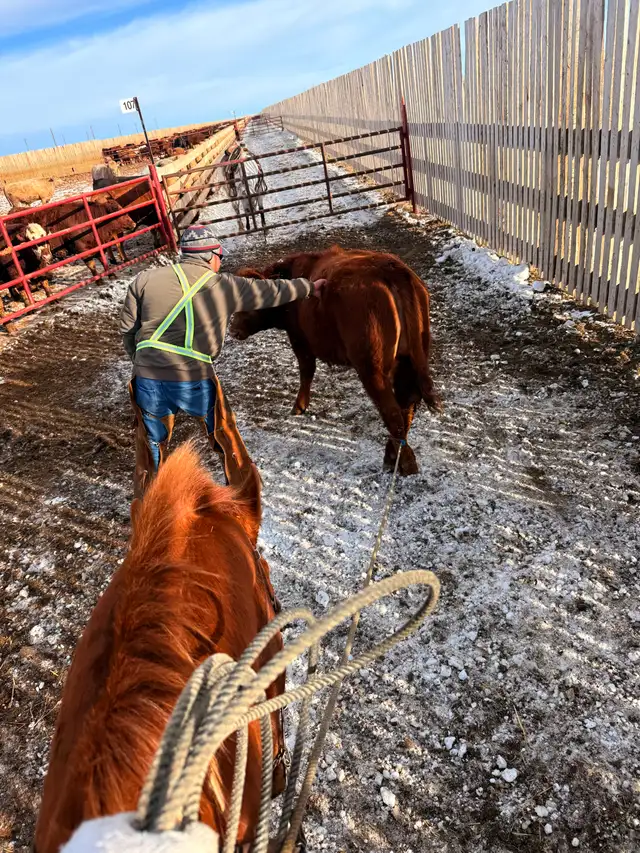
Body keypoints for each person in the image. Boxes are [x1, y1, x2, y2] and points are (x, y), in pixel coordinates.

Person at [120, 224, 326, 496]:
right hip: (194, 374)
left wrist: (142, 361)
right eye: (220, 256)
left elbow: (127, 331)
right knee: (224, 433)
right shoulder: (224, 284)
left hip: (148, 376)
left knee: (150, 446)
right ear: (208, 256)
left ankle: (147, 502)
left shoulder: (143, 281)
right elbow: (271, 292)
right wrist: (310, 287)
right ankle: (244, 490)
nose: (221, 262)